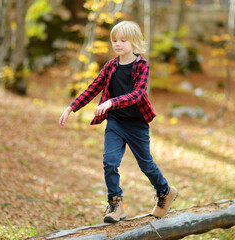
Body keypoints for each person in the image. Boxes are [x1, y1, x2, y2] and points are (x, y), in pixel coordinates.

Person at [58, 20, 177, 223]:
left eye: (123, 40)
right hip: (115, 122)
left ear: (134, 42)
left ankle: (165, 191)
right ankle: (116, 204)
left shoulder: (142, 65)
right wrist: (71, 107)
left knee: (145, 164)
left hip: (137, 124)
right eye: (115, 40)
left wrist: (112, 101)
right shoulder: (110, 66)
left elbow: (137, 94)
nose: (118, 44)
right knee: (109, 161)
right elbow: (93, 88)